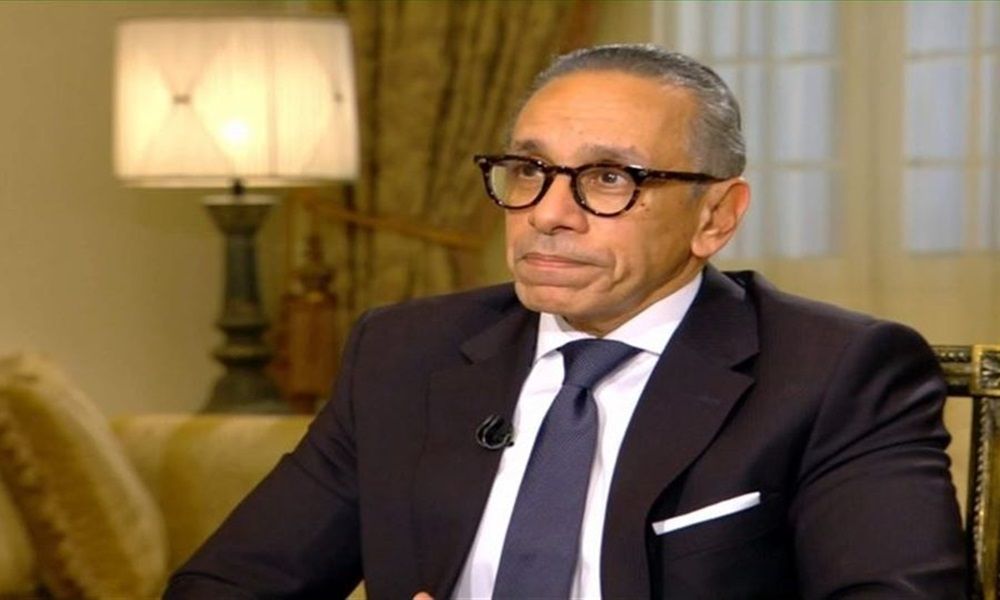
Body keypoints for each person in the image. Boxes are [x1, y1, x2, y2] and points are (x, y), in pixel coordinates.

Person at [164, 44, 965, 599]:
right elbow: (227, 584)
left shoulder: (835, 372)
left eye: (609, 178)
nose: (548, 213)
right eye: (529, 170)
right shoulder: (404, 352)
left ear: (715, 217)